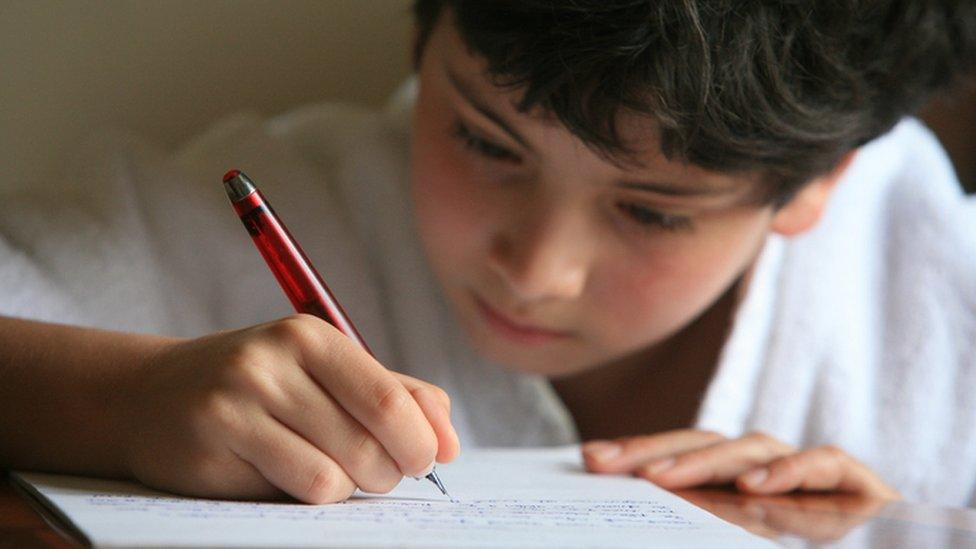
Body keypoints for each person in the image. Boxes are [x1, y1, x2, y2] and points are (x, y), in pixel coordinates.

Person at [1, 1, 974, 507]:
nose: (536, 268)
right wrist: (117, 403)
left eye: (654, 211)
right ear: (425, 50)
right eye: (482, 142)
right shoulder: (309, 190)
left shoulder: (939, 295)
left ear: (817, 184)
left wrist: (892, 532)